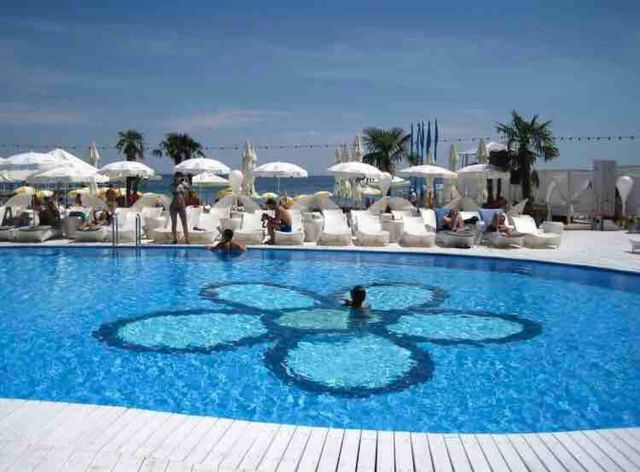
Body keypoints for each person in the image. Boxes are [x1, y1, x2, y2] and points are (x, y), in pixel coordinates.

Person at [169, 172, 191, 244]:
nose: (178, 178)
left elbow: (189, 188)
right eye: (177, 177)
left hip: (182, 205)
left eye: (179, 177)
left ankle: (187, 239)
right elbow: (173, 190)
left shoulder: (183, 185)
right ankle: (175, 239)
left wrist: (187, 180)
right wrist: (179, 184)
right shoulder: (172, 185)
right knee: (174, 222)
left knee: (184, 223)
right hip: (174, 206)